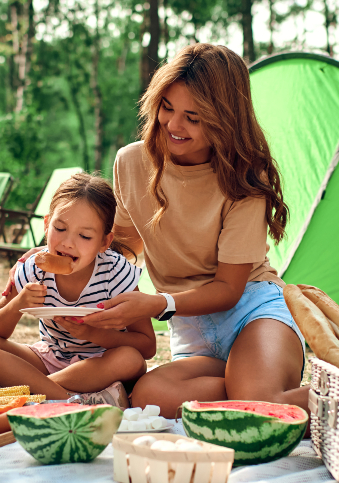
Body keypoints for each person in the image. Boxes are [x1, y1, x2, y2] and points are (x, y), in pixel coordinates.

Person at [80, 43, 307, 417]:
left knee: (261, 400)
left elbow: (229, 289)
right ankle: (253, 391)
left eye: (194, 117)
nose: (172, 125)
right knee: (151, 397)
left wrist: (158, 303)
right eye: (167, 107)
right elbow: (120, 245)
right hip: (191, 329)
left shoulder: (245, 176)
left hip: (251, 309)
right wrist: (64, 260)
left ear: (225, 119)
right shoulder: (132, 161)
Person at [0, 173, 155, 407]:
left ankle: (36, 390)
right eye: (60, 228)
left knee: (131, 360)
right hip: (49, 357)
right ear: (46, 224)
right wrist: (18, 304)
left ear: (104, 242)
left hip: (101, 363)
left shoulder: (115, 272)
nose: (67, 243)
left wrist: (92, 334)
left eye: (84, 236)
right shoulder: (35, 267)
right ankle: (68, 400)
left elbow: (147, 345)